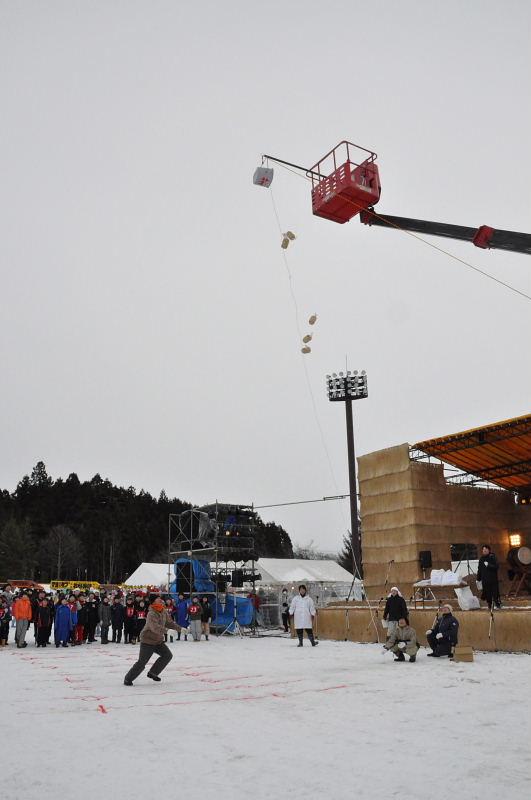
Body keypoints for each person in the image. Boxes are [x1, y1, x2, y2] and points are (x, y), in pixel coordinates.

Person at [123, 596, 181, 686]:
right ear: (154, 602)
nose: (161, 600)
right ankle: (128, 678)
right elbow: (154, 627)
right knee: (142, 662)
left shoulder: (164, 611)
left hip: (158, 640)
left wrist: (180, 629)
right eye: (158, 599)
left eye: (161, 599)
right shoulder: (151, 613)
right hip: (148, 640)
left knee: (167, 655)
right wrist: (167, 631)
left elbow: (170, 623)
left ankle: (153, 672)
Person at [476, 545, 501, 609]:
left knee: (495, 592)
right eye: (483, 549)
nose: (484, 550)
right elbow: (479, 569)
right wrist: (478, 578)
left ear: (489, 550)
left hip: (493, 579)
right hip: (485, 579)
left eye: (486, 549)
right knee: (487, 593)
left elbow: (496, 567)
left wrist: (489, 565)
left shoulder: (492, 557)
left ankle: (497, 604)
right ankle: (489, 605)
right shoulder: (481, 559)